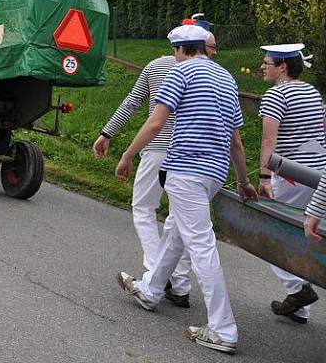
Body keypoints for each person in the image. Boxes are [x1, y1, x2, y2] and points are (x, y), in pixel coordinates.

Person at [114, 23, 258, 355]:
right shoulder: (226, 78)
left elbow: (156, 122)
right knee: (177, 232)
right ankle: (150, 290)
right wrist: (243, 180)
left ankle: (223, 329)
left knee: (201, 246)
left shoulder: (180, 74)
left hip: (185, 170)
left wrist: (127, 155)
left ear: (180, 50)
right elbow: (236, 140)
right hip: (214, 173)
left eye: (175, 52)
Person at [93, 18, 216, 307]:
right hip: (193, 155)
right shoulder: (213, 73)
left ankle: (154, 270)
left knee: (144, 208)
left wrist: (107, 132)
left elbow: (133, 102)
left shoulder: (158, 66)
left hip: (158, 148)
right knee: (181, 220)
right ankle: (181, 285)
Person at [258, 43, 325, 323]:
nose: (262, 66)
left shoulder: (275, 94)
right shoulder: (311, 91)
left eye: (267, 63)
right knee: (305, 234)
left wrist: (263, 175)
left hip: (290, 175)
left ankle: (298, 289)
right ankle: (301, 309)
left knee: (272, 234)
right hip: (318, 174)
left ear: (282, 67)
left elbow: (268, 140)